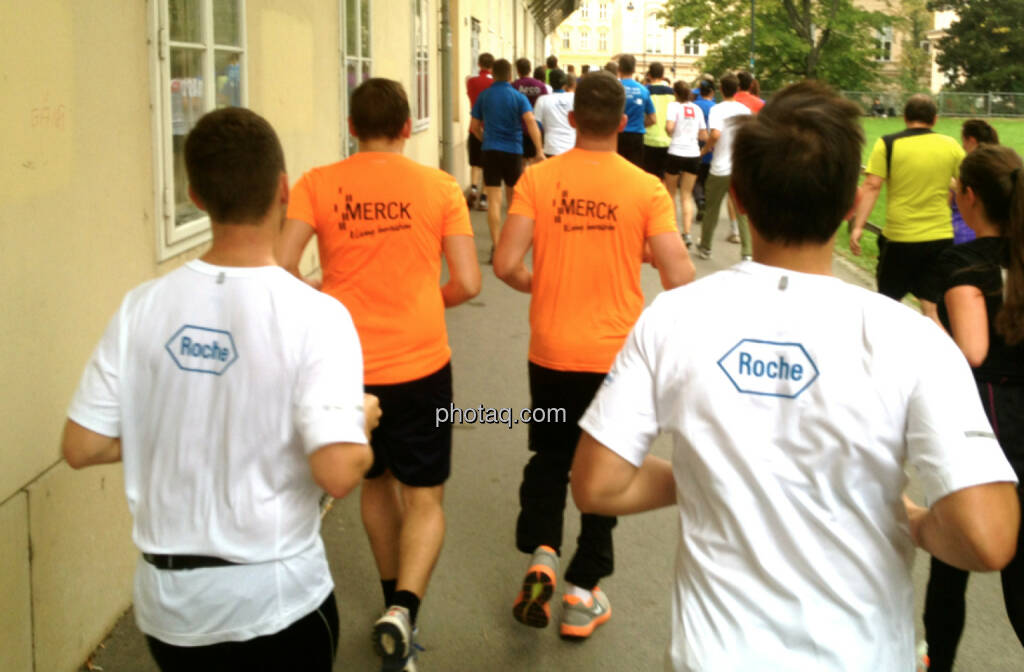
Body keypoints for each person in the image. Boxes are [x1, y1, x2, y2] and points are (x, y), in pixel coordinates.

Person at [569, 80, 1020, 672]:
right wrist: (914, 522)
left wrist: (718, 474)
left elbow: (596, 486)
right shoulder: (913, 340)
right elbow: (987, 537)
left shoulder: (673, 317)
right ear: (847, 203)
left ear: (740, 199)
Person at [62, 107, 381, 671]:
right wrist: (359, 422)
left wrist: (186, 427)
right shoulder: (317, 315)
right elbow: (337, 471)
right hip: (276, 602)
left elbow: (82, 446)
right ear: (283, 190)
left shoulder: (141, 308)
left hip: (170, 610)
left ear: (196, 196)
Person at [277, 78, 482, 672]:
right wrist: (423, 301)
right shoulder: (439, 187)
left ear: (351, 127)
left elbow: (281, 266)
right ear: (406, 128)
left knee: (376, 484)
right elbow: (468, 282)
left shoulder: (317, 183)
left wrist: (325, 295)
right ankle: (403, 610)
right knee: (425, 495)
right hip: (421, 362)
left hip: (346, 365)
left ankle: (392, 595)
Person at [493, 70, 695, 641]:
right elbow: (681, 276)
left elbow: (505, 265)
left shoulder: (539, 179)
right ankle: (582, 592)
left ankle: (542, 554)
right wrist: (642, 257)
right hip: (615, 357)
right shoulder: (646, 188)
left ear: (573, 118)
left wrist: (547, 284)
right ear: (624, 122)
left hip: (552, 349)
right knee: (605, 469)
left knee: (550, 457)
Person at [922, 144, 1024, 672]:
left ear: (970, 197)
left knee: (954, 553)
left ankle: (940, 660)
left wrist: (929, 320)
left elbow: (973, 353)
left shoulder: (964, 263)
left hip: (987, 418)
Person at [850, 94, 965, 320]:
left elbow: (872, 186)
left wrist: (858, 226)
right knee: (930, 308)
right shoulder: (951, 145)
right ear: (935, 119)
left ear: (904, 117)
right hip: (940, 237)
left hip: (900, 239)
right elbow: (966, 186)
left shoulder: (888, 144)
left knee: (887, 306)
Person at [471, 58, 544, 263]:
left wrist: (485, 139)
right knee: (513, 202)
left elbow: (474, 127)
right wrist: (539, 150)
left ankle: (496, 246)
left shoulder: (484, 96)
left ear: (493, 75)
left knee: (494, 200)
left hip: (490, 151)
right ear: (510, 75)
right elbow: (531, 122)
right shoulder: (518, 97)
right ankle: (510, 246)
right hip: (513, 152)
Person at [697, 73, 751, 261]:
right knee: (742, 211)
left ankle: (706, 247)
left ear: (720, 89)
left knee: (711, 210)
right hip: (739, 167)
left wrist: (704, 151)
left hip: (720, 167)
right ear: (737, 89)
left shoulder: (717, 110)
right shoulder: (745, 111)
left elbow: (715, 134)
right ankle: (747, 252)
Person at [664, 81, 708, 248]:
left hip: (675, 152)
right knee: (686, 195)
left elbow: (669, 127)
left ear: (675, 93)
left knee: (671, 194)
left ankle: (672, 231)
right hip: (693, 154)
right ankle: (687, 233)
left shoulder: (673, 106)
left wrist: (671, 131)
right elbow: (703, 135)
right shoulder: (697, 109)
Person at [951, 119, 1000, 244]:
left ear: (972, 140)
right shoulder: (1003, 161)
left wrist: (954, 186)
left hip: (967, 235)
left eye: (964, 141)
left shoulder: (974, 166)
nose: (963, 146)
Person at [465, 52, 495, 212]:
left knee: (475, 163)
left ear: (479, 64)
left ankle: (473, 188)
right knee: (488, 165)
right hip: (490, 127)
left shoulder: (471, 81)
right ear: (492, 66)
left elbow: (468, 86)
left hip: (474, 126)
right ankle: (483, 199)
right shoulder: (494, 83)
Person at [615, 54, 655, 168]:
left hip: (616, 136)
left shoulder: (614, 87)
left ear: (619, 69)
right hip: (636, 137)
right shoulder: (643, 90)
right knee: (634, 169)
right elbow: (653, 119)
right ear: (634, 69)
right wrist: (639, 124)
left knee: (617, 169)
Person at [642, 62, 674, 182]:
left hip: (649, 139)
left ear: (649, 75)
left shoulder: (645, 91)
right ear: (663, 75)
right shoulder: (672, 93)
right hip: (667, 139)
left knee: (648, 177)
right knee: (663, 178)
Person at [533, 69, 576, 157]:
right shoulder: (574, 98)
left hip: (551, 147)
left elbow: (537, 126)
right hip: (571, 147)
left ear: (549, 82)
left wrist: (539, 150)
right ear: (565, 83)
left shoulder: (542, 100)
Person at [513, 59, 549, 163]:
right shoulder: (540, 86)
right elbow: (546, 104)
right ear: (530, 70)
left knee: (521, 161)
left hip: (519, 128)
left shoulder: (514, 86)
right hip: (536, 128)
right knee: (535, 161)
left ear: (518, 70)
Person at [692, 79, 716, 222]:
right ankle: (706, 203)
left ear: (699, 91)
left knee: (696, 178)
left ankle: (700, 200)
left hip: (695, 146)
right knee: (707, 178)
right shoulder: (715, 107)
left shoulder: (693, 106)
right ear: (712, 92)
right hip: (711, 147)